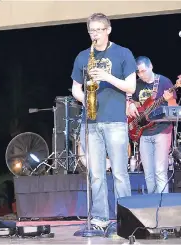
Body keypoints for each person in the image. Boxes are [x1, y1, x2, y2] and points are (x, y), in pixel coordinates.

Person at [71, 13, 137, 230]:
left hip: (115, 121)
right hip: (90, 121)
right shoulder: (83, 56)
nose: (95, 34)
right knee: (96, 174)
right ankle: (99, 218)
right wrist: (88, 100)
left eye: (99, 30)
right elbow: (75, 89)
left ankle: (126, 217)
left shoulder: (123, 53)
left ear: (108, 30)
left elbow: (131, 87)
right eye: (92, 31)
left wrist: (107, 77)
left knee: (119, 172)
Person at [127, 56, 177, 194]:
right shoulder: (136, 85)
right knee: (148, 173)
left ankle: (163, 207)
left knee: (160, 171)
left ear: (151, 67)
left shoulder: (164, 82)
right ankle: (152, 204)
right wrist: (131, 105)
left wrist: (170, 98)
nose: (141, 75)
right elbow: (135, 103)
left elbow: (174, 108)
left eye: (143, 71)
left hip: (162, 131)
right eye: (138, 72)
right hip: (144, 132)